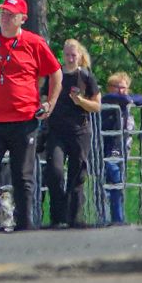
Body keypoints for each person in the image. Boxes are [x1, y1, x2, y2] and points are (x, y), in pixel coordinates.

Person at [0, 0, 61, 231]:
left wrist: (50, 103)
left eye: (10, 15)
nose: (5, 18)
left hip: (23, 119)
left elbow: (55, 72)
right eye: (3, 13)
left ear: (22, 19)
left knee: (22, 175)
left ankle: (24, 222)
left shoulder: (34, 43)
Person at [41, 39, 101, 228]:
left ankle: (74, 217)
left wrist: (80, 101)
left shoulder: (86, 76)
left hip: (79, 131)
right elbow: (44, 97)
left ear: (80, 56)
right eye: (67, 54)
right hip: (56, 131)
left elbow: (96, 105)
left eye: (73, 55)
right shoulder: (55, 75)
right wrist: (44, 106)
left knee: (77, 176)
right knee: (55, 171)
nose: (69, 58)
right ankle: (57, 216)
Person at [99, 72, 141, 225]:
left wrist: (130, 99)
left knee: (117, 182)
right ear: (110, 88)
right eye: (117, 87)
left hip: (123, 147)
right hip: (107, 147)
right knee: (113, 179)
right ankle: (112, 218)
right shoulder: (107, 99)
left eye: (124, 88)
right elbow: (122, 99)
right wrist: (129, 99)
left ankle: (116, 218)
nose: (121, 91)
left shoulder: (125, 101)